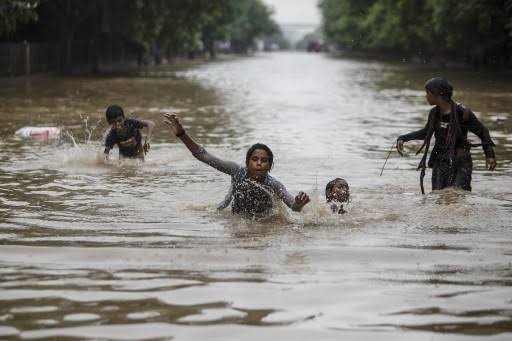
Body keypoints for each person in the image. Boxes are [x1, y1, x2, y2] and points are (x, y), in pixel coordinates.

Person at [163, 113, 310, 217]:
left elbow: (293, 207)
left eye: (264, 161)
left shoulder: (273, 184)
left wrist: (299, 203)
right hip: (230, 216)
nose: (259, 163)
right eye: (255, 159)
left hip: (262, 221)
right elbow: (202, 155)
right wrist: (182, 134)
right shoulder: (237, 171)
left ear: (270, 166)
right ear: (247, 162)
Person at [396, 77, 496, 192]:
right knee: (438, 196)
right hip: (440, 162)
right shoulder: (434, 113)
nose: (426, 96)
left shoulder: (462, 112)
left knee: (458, 195)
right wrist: (403, 138)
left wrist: (490, 155)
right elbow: (425, 133)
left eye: (427, 92)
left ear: (437, 94)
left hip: (461, 162)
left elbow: (483, 132)